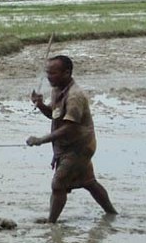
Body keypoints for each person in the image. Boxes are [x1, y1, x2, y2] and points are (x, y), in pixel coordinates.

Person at [27, 55, 117, 223]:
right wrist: (40, 105)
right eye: (47, 73)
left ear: (66, 73)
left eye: (53, 73)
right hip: (68, 146)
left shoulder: (75, 96)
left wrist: (41, 140)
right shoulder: (57, 90)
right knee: (88, 182)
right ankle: (112, 214)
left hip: (79, 147)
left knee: (58, 184)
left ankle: (51, 223)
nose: (49, 77)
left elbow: (70, 127)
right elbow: (55, 116)